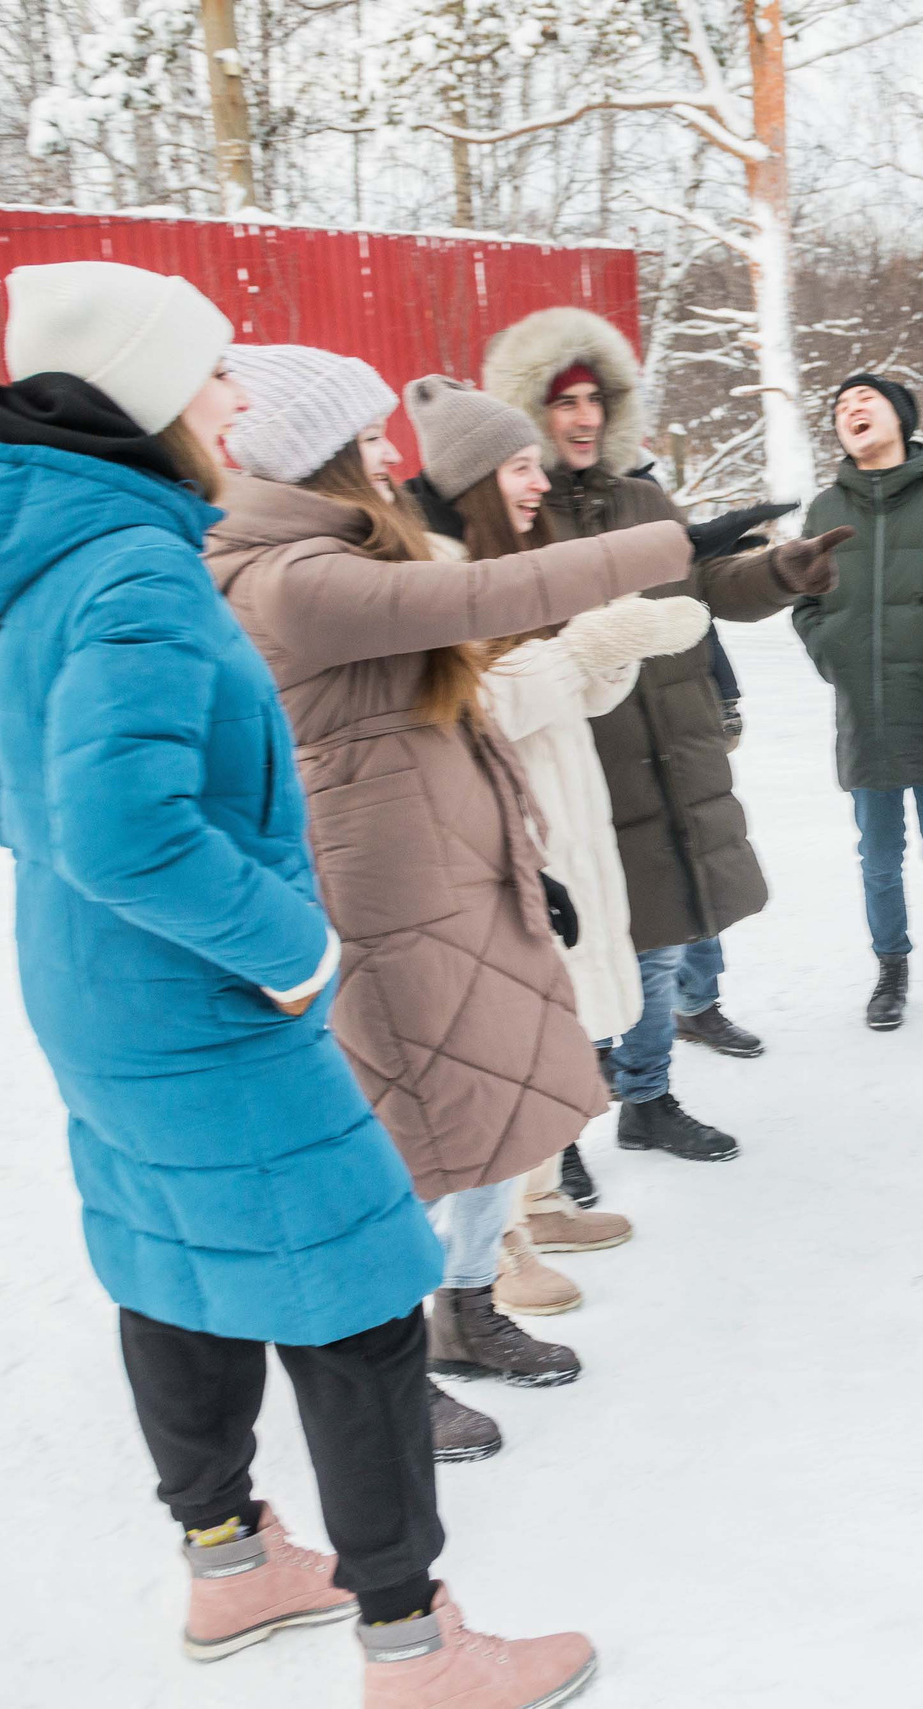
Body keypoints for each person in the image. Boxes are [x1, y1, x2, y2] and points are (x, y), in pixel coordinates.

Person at [0, 261, 594, 1705]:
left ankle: (230, 1562)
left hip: (95, 1000)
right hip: (209, 1013)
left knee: (171, 1262)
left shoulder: (45, 561)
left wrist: (107, 920)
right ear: (146, 390)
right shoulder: (137, 571)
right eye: (216, 366)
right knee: (357, 1297)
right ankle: (413, 1647)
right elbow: (125, 828)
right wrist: (292, 945)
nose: (236, 394)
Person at [205, 344, 707, 1416]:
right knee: (409, 1134)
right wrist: (671, 544)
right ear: (321, 453)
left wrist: (520, 851)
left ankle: (467, 1306)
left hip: (457, 864)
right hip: (385, 890)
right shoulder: (293, 577)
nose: (392, 456)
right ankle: (389, 1364)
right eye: (369, 438)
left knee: (484, 1106)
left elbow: (458, 714)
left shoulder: (347, 551)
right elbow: (488, 593)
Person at [483, 307, 848, 1166]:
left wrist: (779, 571)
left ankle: (647, 1100)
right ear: (529, 410)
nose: (584, 418)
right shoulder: (511, 515)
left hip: (671, 760)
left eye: (596, 399)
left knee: (659, 950)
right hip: (578, 771)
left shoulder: (644, 498)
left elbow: (706, 582)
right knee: (576, 960)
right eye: (564, 401)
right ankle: (561, 1137)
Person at [405, 375, 690, 1315]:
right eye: (520, 466)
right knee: (508, 1049)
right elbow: (471, 704)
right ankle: (493, 1250)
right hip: (496, 834)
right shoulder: (434, 573)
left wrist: (619, 641)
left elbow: (576, 691)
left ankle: (536, 1200)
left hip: (563, 810)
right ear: (475, 476)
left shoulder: (517, 561)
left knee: (553, 1030)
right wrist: (585, 646)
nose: (538, 482)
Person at [792, 374, 923, 1038]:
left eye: (866, 399)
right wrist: (835, 657)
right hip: (864, 715)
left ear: (901, 418)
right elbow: (805, 604)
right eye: (841, 405)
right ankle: (891, 971)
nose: (850, 408)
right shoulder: (825, 510)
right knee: (879, 858)